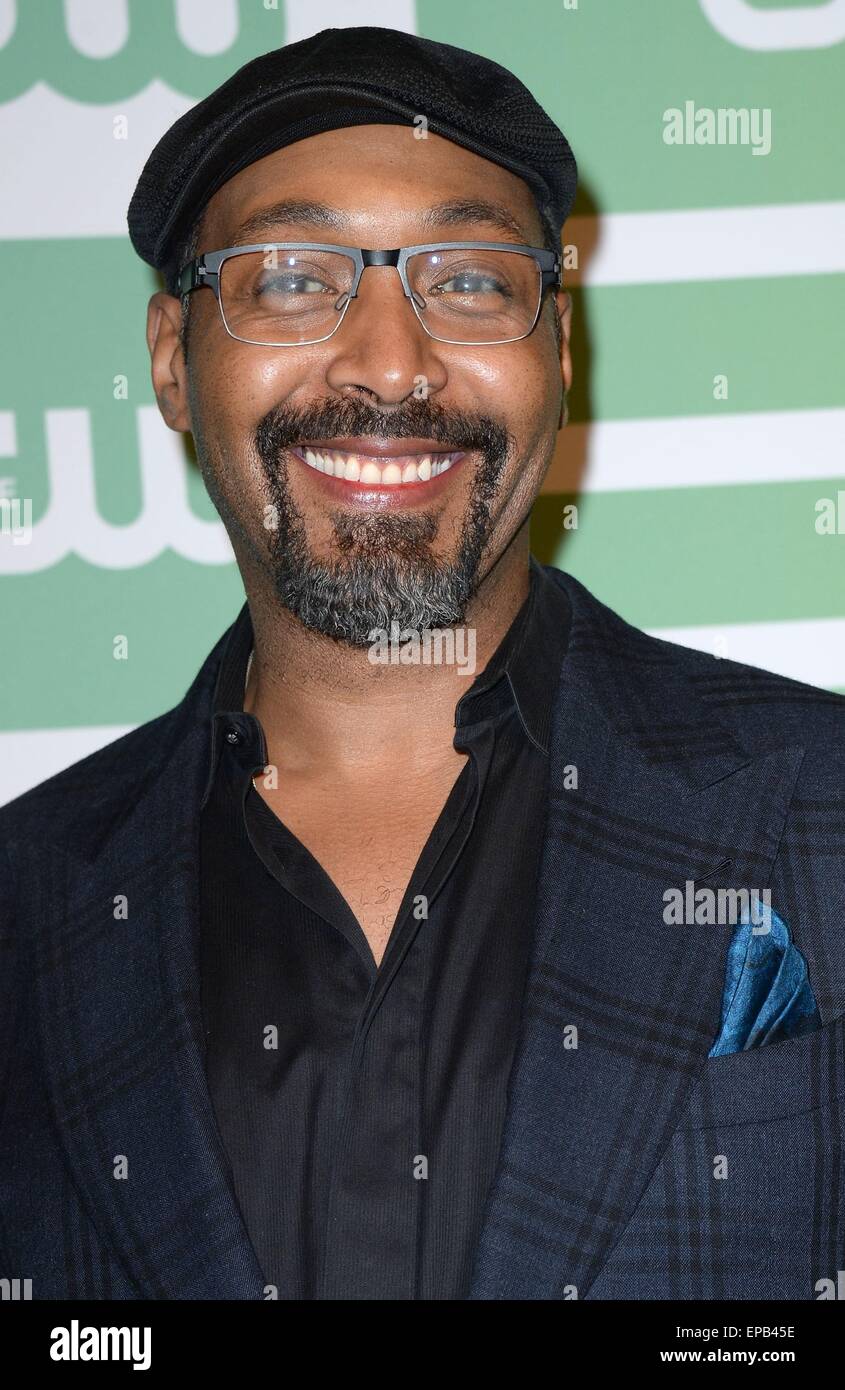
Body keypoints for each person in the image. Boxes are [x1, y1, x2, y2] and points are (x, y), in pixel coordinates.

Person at [1, 26, 843, 1303]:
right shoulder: (25, 910)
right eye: (290, 277)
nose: (390, 364)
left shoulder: (823, 800)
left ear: (558, 350)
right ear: (175, 360)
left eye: (467, 280)